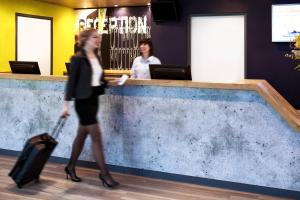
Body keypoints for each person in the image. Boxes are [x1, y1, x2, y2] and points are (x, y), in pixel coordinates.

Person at [61, 28, 119, 188]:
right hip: (83, 102)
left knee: (81, 136)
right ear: (85, 39)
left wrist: (109, 82)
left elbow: (98, 80)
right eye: (95, 37)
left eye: (99, 37)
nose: (98, 40)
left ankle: (70, 167)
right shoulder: (77, 58)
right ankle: (104, 174)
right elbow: (71, 84)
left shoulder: (97, 57)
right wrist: (65, 106)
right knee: (96, 136)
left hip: (94, 100)